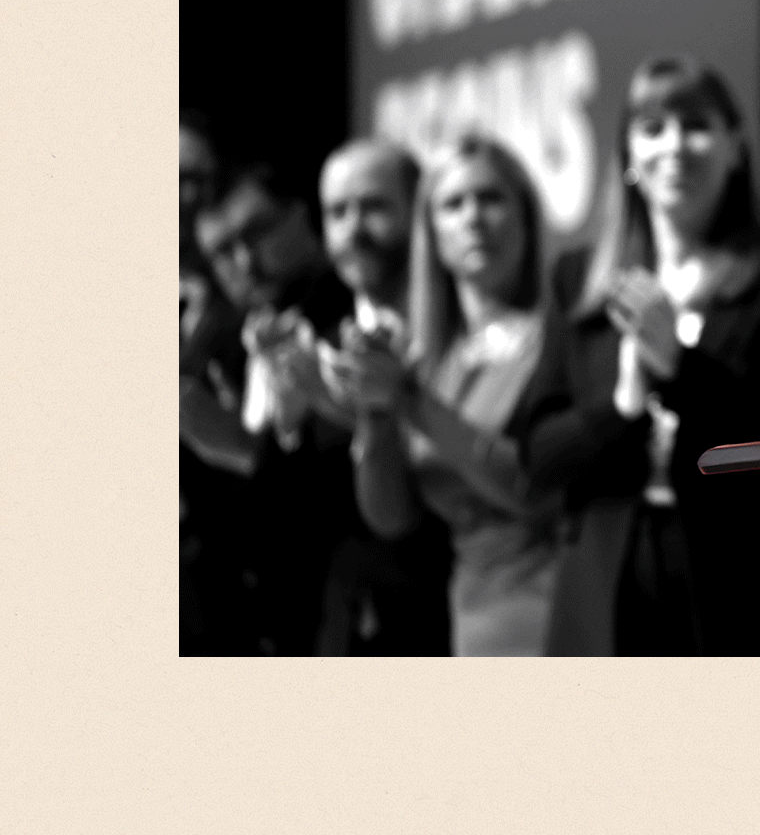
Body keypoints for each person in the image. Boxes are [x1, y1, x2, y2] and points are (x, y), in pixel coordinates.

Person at [515, 58, 760, 655]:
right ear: (629, 157)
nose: (674, 146)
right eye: (652, 128)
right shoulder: (578, 279)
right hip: (597, 587)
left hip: (722, 581)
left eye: (696, 125)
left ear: (737, 146)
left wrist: (680, 369)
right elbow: (539, 456)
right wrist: (626, 403)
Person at [322, 134, 561, 656]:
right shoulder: (432, 361)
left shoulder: (555, 339)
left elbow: (533, 489)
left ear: (526, 214)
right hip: (469, 618)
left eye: (491, 198)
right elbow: (393, 518)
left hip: (554, 610)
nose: (473, 218)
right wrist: (376, 412)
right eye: (453, 205)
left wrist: (410, 403)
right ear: (430, 231)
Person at [179, 166, 358, 655]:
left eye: (256, 233)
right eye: (221, 253)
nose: (244, 260)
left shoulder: (352, 316)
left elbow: (339, 496)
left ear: (302, 214)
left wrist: (242, 452)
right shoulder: (226, 344)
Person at [308, 139, 454, 654]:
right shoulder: (315, 346)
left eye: (373, 207)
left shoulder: (459, 332)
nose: (354, 229)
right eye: (337, 212)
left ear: (420, 212)